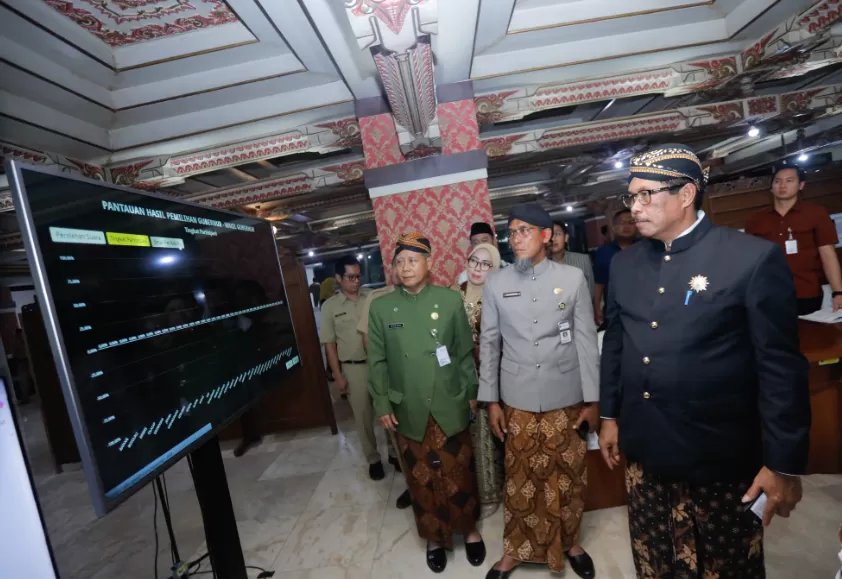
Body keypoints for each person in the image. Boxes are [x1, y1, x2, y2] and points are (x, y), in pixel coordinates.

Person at [599, 144, 811, 578]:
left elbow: (780, 369)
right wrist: (609, 416)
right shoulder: (625, 265)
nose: (634, 208)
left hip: (721, 456)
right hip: (646, 452)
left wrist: (783, 463)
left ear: (686, 193)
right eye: (631, 197)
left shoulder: (749, 259)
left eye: (646, 195)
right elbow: (616, 345)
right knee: (655, 564)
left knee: (728, 566)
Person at [478, 203, 599, 579]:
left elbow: (584, 341)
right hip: (517, 399)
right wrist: (491, 400)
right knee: (520, 478)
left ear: (546, 235)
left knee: (569, 474)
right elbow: (489, 343)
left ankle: (571, 542)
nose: (516, 238)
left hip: (566, 394)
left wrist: (594, 400)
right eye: (511, 232)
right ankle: (514, 551)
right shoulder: (496, 282)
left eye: (524, 230)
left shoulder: (572, 279)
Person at [368, 232, 486, 573]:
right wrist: (383, 404)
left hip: (449, 402)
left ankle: (470, 530)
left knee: (459, 471)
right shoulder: (381, 307)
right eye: (399, 261)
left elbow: (464, 354)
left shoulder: (449, 301)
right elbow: (377, 362)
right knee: (420, 476)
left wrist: (472, 392)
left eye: (413, 260)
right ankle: (434, 538)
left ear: (429, 264)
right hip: (408, 406)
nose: (405, 268)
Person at [320, 256, 392, 480]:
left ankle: (395, 455)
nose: (356, 281)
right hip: (353, 368)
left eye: (358, 275)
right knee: (363, 417)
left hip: (379, 364)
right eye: (350, 276)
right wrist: (337, 374)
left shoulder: (371, 296)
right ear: (339, 278)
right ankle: (373, 459)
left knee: (387, 410)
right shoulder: (330, 307)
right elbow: (329, 344)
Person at [451, 243, 505, 521]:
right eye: (474, 261)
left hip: (490, 375)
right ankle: (476, 490)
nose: (477, 268)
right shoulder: (453, 295)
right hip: (459, 377)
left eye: (485, 264)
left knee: (487, 434)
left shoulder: (499, 297)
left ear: (494, 269)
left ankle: (490, 496)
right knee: (468, 436)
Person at [745, 161, 842, 314]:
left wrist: (838, 292)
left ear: (801, 185)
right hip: (768, 293)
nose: (782, 185)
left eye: (789, 181)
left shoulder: (816, 214)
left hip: (806, 290)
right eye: (777, 181)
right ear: (771, 187)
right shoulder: (756, 219)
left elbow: (827, 254)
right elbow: (748, 260)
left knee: (809, 337)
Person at [593, 208, 636, 325]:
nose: (626, 226)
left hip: (642, 308)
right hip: (614, 310)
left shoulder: (647, 249)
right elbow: (599, 282)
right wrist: (596, 307)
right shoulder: (603, 252)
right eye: (622, 223)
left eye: (631, 223)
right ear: (614, 227)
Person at [549, 221, 595, 299]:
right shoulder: (540, 265)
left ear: (566, 238)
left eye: (558, 234)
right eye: (550, 235)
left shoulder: (583, 259)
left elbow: (591, 291)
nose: (553, 239)